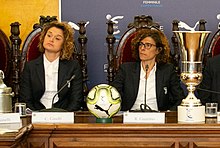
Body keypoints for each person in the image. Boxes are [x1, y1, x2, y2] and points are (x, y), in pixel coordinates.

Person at [111, 28, 185, 112]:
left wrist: (168, 114)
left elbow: (179, 99)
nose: (142, 48)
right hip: (130, 118)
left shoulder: (167, 70)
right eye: (141, 44)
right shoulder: (126, 69)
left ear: (158, 50)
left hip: (158, 119)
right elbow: (113, 96)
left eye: (148, 45)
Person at [20, 21, 83, 112]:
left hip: (63, 115)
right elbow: (26, 99)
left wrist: (64, 115)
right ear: (43, 38)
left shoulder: (72, 67)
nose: (51, 40)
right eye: (49, 36)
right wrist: (36, 115)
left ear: (64, 44)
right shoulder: (30, 67)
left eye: (57, 38)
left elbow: (76, 100)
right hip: (36, 115)